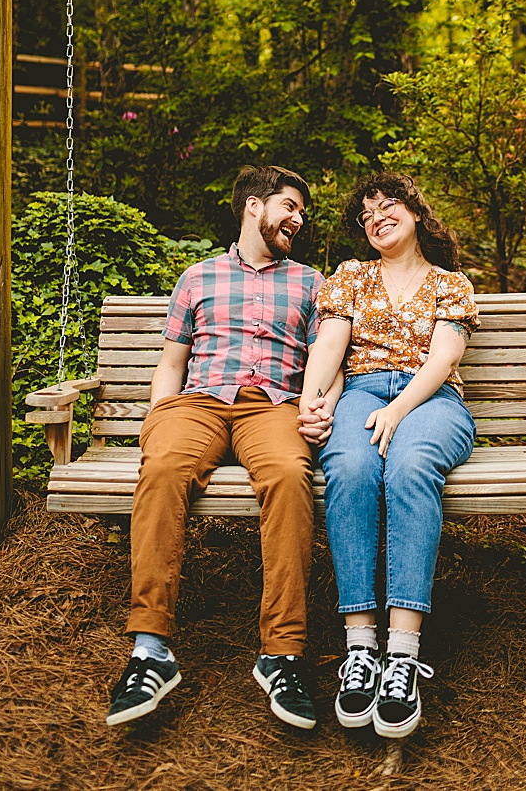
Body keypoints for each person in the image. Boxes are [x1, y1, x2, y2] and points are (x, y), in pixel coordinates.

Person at [107, 165, 334, 729]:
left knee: (287, 476)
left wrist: (322, 404)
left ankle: (282, 653)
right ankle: (150, 651)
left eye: (302, 211)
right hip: (200, 403)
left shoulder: (311, 283)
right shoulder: (198, 277)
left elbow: (328, 360)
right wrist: (160, 414)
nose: (298, 219)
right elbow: (172, 362)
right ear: (254, 206)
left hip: (273, 405)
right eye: (289, 206)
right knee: (161, 469)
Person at [298, 172, 478, 739]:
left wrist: (399, 411)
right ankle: (361, 648)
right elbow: (330, 344)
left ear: (416, 213)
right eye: (366, 212)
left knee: (409, 467)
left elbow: (443, 359)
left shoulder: (451, 284)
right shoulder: (350, 278)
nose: (377, 215)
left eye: (389, 204)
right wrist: (311, 402)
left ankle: (402, 655)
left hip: (431, 399)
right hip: (361, 391)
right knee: (349, 466)